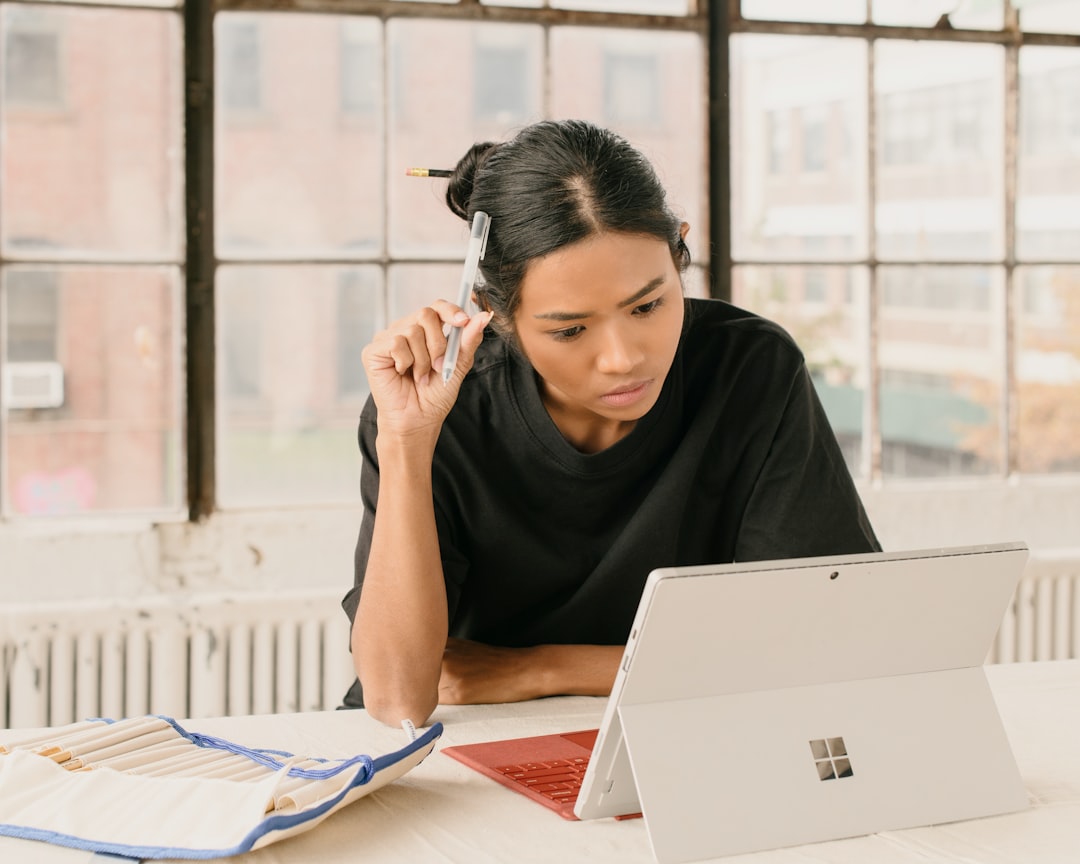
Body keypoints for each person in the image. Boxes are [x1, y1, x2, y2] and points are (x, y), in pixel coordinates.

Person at [342, 119, 879, 727]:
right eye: (569, 329)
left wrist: (537, 670)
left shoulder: (750, 368)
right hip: (473, 748)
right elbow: (395, 700)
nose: (624, 357)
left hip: (669, 729)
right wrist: (408, 442)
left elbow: (830, 642)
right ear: (494, 312)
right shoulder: (438, 405)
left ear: (680, 251)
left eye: (648, 305)